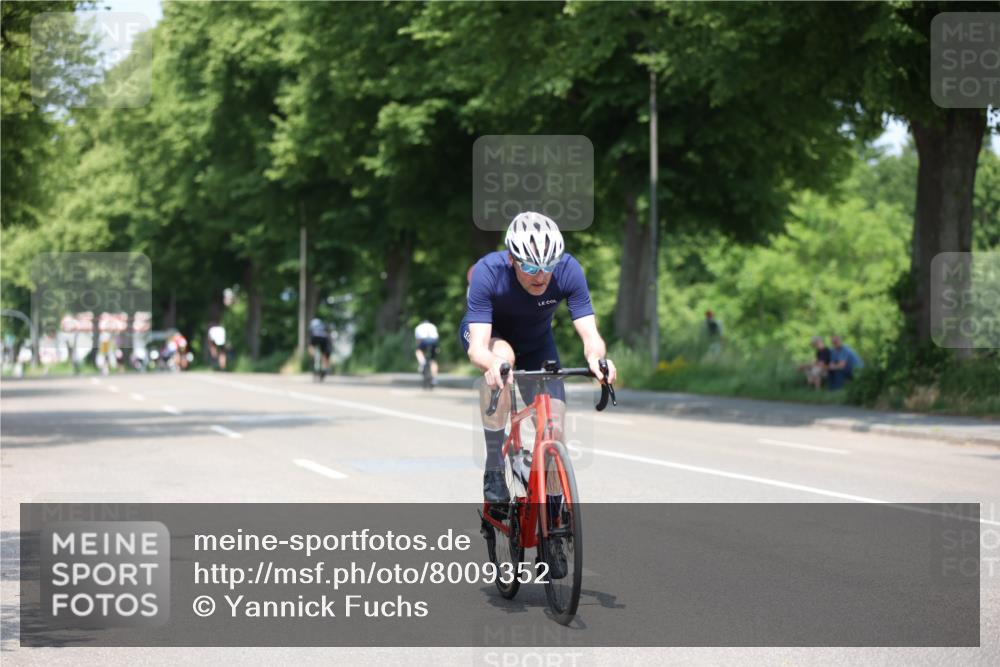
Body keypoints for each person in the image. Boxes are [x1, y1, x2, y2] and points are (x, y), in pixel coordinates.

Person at [460, 211, 617, 509]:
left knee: (554, 427)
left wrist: (598, 359)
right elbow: (477, 347)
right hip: (493, 338)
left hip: (536, 343)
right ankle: (494, 466)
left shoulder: (569, 270)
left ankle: (555, 513)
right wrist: (492, 364)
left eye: (548, 266)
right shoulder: (488, 271)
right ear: (512, 260)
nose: (541, 275)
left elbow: (590, 334)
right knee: (503, 357)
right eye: (531, 266)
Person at [414, 319, 440, 385]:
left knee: (418, 351)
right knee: (433, 360)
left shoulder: (418, 327)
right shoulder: (433, 326)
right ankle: (434, 379)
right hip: (433, 342)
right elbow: (436, 338)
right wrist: (437, 348)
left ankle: (422, 363)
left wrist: (419, 348)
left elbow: (418, 341)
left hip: (424, 341)